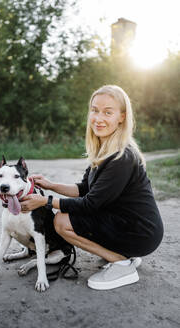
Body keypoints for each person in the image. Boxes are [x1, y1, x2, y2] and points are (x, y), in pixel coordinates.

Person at [20, 85, 164, 290]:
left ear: (121, 117)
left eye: (108, 112)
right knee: (67, 214)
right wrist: (50, 185)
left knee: (62, 221)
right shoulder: (104, 149)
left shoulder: (122, 157)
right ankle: (122, 255)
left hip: (139, 231)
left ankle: (121, 263)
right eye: (95, 110)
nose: (98, 118)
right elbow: (84, 188)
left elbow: (90, 204)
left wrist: (46, 201)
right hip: (126, 224)